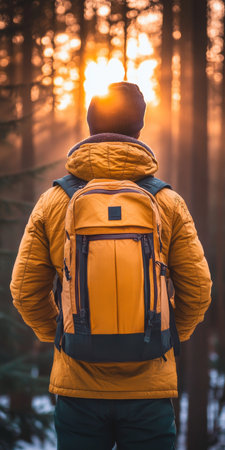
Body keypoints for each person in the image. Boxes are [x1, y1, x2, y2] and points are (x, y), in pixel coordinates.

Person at [10, 82, 212, 450]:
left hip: (78, 387)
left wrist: (62, 337)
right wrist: (165, 338)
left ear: (90, 127)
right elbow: (198, 291)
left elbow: (24, 292)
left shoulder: (54, 201)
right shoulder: (168, 201)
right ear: (139, 129)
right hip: (149, 387)